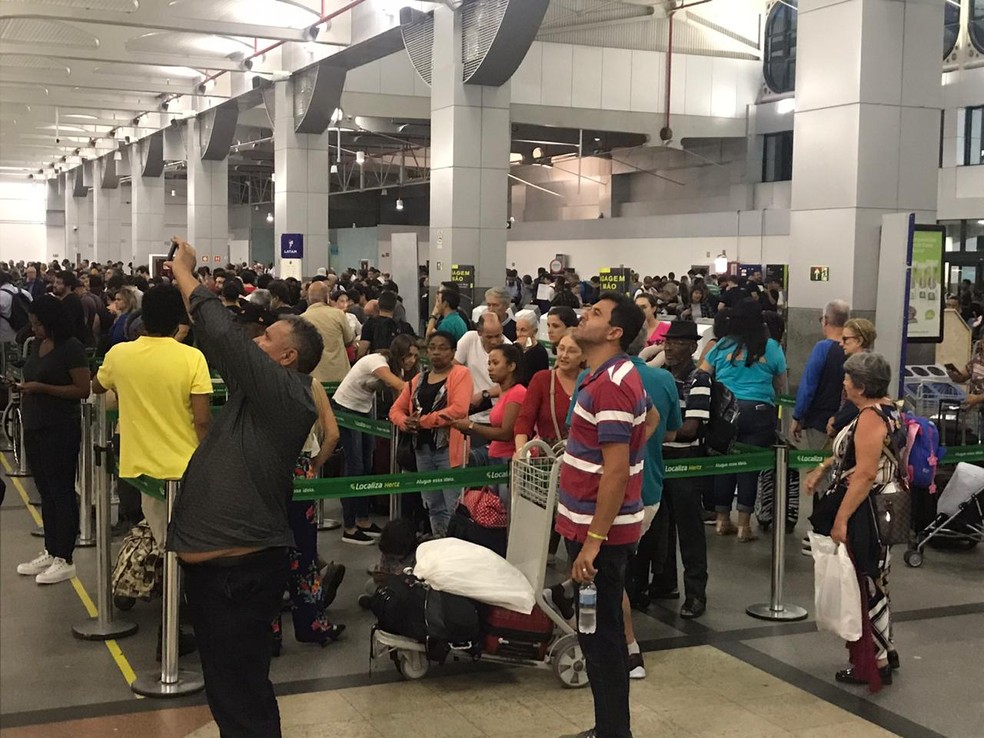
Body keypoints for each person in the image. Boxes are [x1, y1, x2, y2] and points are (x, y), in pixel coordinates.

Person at [165, 237, 326, 738]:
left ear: (287, 357)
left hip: (239, 575)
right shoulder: (257, 399)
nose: (256, 340)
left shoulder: (286, 396)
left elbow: (223, 337)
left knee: (242, 699)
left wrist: (187, 276)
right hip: (221, 576)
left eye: (267, 339)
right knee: (234, 692)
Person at [554, 292, 654, 738]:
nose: (584, 316)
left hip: (601, 534)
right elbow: (648, 420)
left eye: (595, 313)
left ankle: (614, 732)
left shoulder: (612, 382)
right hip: (592, 523)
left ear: (614, 332)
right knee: (596, 631)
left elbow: (614, 472)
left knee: (602, 637)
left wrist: (593, 540)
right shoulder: (612, 374)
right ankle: (608, 727)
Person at [805, 352, 905, 689]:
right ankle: (885, 647)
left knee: (865, 579)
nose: (843, 384)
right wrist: (822, 468)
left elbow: (863, 474)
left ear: (861, 385)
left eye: (848, 379)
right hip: (889, 503)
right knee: (878, 577)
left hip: (869, 508)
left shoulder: (869, 419)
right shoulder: (890, 409)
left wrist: (841, 518)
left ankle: (874, 660)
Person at [93, 285, 213, 548]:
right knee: (194, 542)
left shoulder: (119, 354)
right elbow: (202, 420)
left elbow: (97, 386)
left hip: (143, 467)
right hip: (187, 464)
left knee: (164, 541)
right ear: (179, 320)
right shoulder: (193, 358)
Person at [14, 296, 90, 585]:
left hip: (61, 428)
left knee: (61, 491)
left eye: (39, 323)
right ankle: (51, 547)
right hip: (35, 425)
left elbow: (82, 389)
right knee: (45, 490)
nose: (34, 329)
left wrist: (43, 388)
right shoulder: (35, 346)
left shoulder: (71, 348)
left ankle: (65, 557)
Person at [700, 299, 787, 541]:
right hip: (759, 412)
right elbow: (781, 384)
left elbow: (703, 374)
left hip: (726, 413)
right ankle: (744, 526)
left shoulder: (722, 345)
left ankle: (721, 520)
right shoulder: (771, 347)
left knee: (723, 464)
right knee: (749, 467)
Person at [622, 327, 681, 679]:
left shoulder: (592, 378)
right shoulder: (663, 379)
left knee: (606, 572)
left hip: (606, 495)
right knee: (615, 568)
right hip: (650, 490)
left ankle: (628, 647)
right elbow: (671, 431)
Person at [643, 321, 711, 619]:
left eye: (679, 343)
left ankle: (696, 593)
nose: (670, 347)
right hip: (661, 460)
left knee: (689, 528)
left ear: (693, 347)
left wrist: (657, 432)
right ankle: (664, 581)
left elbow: (691, 429)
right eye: (668, 342)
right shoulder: (662, 377)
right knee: (660, 525)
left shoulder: (699, 380)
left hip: (685, 462)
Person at [332, 335, 419, 544]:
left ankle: (363, 520)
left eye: (416, 356)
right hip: (346, 409)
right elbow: (399, 386)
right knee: (354, 466)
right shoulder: (377, 361)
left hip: (364, 410)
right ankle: (349, 527)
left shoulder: (397, 369)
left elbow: (399, 395)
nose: (412, 360)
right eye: (409, 355)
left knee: (367, 464)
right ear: (399, 353)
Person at [390, 332, 473, 536]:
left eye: (442, 348)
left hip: (449, 450)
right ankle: (438, 541)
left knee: (453, 504)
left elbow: (459, 409)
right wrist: (405, 422)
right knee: (432, 504)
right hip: (422, 450)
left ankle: (453, 547)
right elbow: (395, 410)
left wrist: (424, 421)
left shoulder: (461, 374)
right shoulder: (419, 379)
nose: (436, 352)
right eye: (432, 347)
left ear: (453, 351)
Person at [447, 344, 526, 508]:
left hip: (507, 461)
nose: (490, 368)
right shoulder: (503, 392)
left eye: (495, 363)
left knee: (504, 511)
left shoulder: (517, 393)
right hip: (496, 458)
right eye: (489, 363)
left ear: (511, 366)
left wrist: (471, 426)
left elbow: (506, 433)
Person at [792, 300, 851, 450]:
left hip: (820, 422)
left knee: (819, 468)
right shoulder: (855, 351)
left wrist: (798, 416)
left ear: (826, 320)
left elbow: (808, 387)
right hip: (849, 421)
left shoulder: (822, 349)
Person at [454, 313, 511, 464]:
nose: (495, 341)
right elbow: (453, 369)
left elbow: (512, 383)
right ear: (479, 333)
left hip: (497, 418)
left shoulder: (509, 348)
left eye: (498, 335)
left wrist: (484, 395)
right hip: (471, 417)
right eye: (489, 337)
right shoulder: (469, 339)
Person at [515, 333, 583, 449]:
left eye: (572, 351)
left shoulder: (591, 381)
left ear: (584, 355)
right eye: (561, 349)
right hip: (547, 459)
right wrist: (521, 451)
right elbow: (525, 420)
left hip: (582, 457)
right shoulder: (542, 379)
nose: (564, 355)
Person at [302, 281, 357, 383]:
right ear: (327, 297)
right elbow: (349, 340)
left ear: (308, 298)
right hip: (339, 375)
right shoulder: (338, 314)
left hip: (315, 378)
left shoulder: (302, 318)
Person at [358, 290, 415, 358]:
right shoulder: (405, 327)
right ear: (394, 306)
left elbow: (362, 350)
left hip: (377, 363)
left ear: (378, 305)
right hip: (397, 364)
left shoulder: (369, 324)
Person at [52, 270, 87, 343]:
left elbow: (65, 326)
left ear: (68, 286)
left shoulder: (71, 302)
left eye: (58, 283)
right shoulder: (64, 300)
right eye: (54, 282)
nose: (54, 285)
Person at [515, 312, 549, 386]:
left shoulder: (540, 353)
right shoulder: (515, 348)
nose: (519, 334)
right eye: (517, 330)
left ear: (535, 331)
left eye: (523, 330)